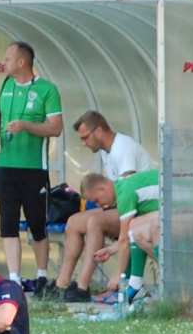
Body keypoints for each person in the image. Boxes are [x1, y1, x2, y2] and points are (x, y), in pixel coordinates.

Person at [0, 41, 62, 289]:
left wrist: (26, 126)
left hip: (34, 169)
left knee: (37, 223)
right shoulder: (5, 87)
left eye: (7, 59)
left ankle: (40, 275)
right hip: (5, 167)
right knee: (8, 222)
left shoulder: (47, 90)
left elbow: (55, 128)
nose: (3, 63)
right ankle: (14, 277)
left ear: (21, 62)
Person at [49, 111, 152, 302]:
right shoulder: (107, 151)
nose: (83, 143)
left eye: (85, 137)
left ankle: (82, 286)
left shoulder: (123, 148)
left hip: (143, 210)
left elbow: (128, 195)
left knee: (95, 221)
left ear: (98, 131)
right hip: (125, 204)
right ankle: (61, 284)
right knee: (73, 222)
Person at [82, 169, 159, 304]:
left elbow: (124, 239)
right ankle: (135, 286)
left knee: (134, 227)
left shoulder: (124, 195)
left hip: (183, 209)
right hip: (174, 209)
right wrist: (111, 250)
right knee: (135, 228)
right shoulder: (123, 185)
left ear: (102, 188)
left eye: (97, 200)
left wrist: (119, 275)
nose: (99, 205)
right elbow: (127, 238)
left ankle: (170, 279)